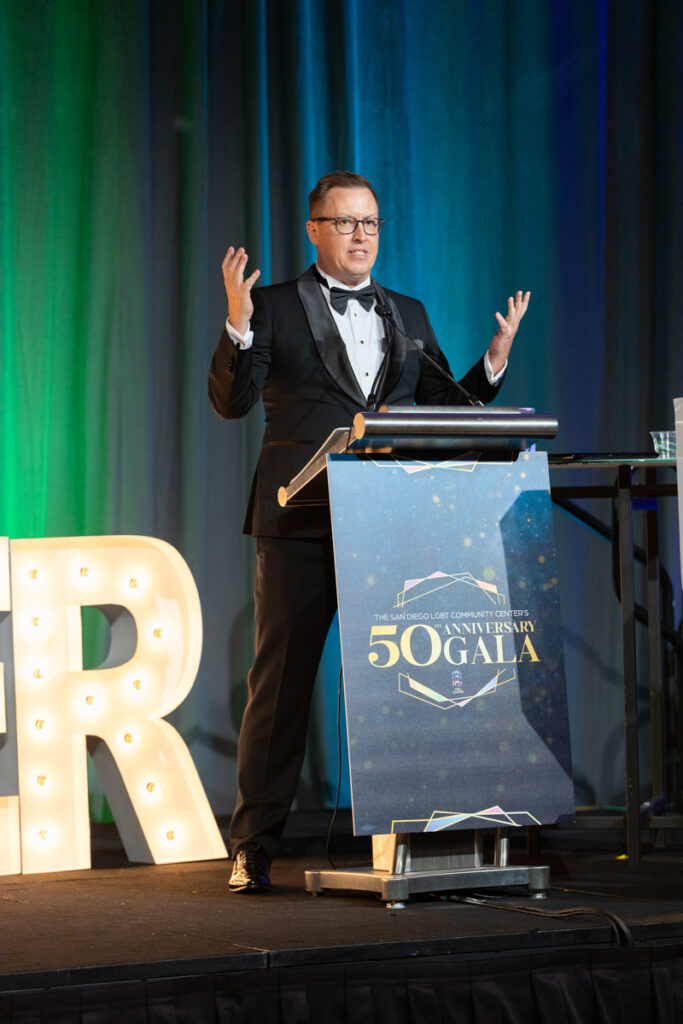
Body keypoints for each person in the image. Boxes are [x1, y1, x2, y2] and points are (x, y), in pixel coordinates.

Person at [209, 170, 530, 893]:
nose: (360, 236)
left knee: (411, 683)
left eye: (371, 224)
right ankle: (253, 845)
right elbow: (230, 403)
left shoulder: (405, 313)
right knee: (281, 687)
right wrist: (236, 323)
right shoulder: (270, 305)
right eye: (346, 222)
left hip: (390, 524)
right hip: (299, 523)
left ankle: (426, 834)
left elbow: (446, 406)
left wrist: (494, 361)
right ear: (314, 229)